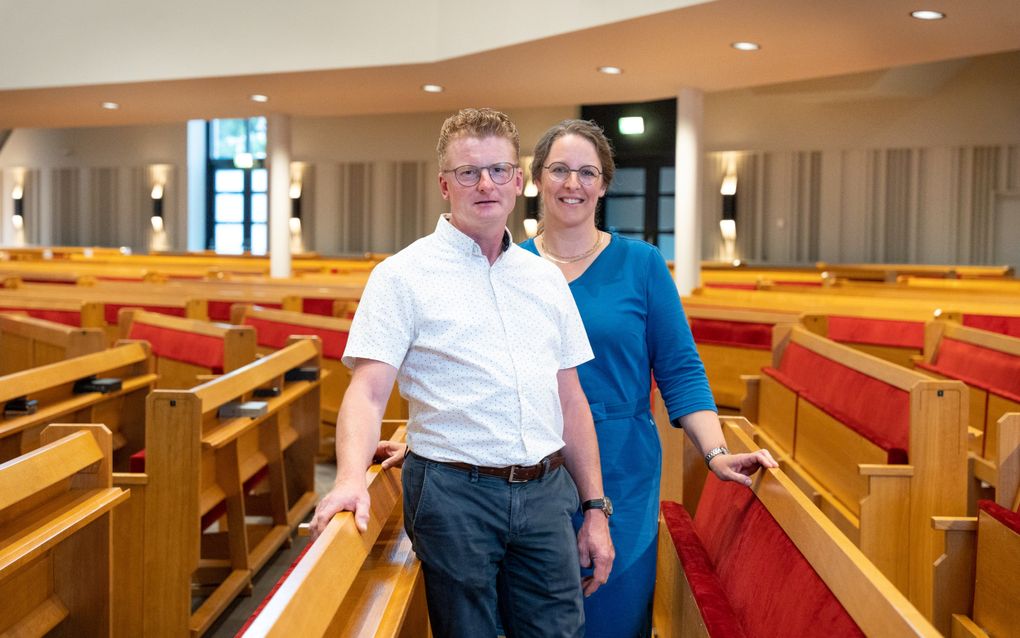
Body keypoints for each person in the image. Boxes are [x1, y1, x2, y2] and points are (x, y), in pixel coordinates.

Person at [309, 108, 614, 638]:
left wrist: (594, 507)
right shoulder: (401, 276)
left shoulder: (543, 279)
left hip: (545, 492)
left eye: (498, 170)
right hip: (454, 494)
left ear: (519, 182)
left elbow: (570, 401)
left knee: (558, 632)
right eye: (468, 172)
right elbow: (368, 391)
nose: (485, 184)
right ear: (444, 183)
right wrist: (350, 478)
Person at [519, 119, 778, 638]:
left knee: (612, 614)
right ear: (538, 179)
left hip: (622, 467)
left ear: (604, 183)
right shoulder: (509, 266)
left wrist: (715, 453)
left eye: (587, 172)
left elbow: (681, 369)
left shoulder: (642, 264)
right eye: (560, 170)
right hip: (531, 466)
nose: (574, 183)